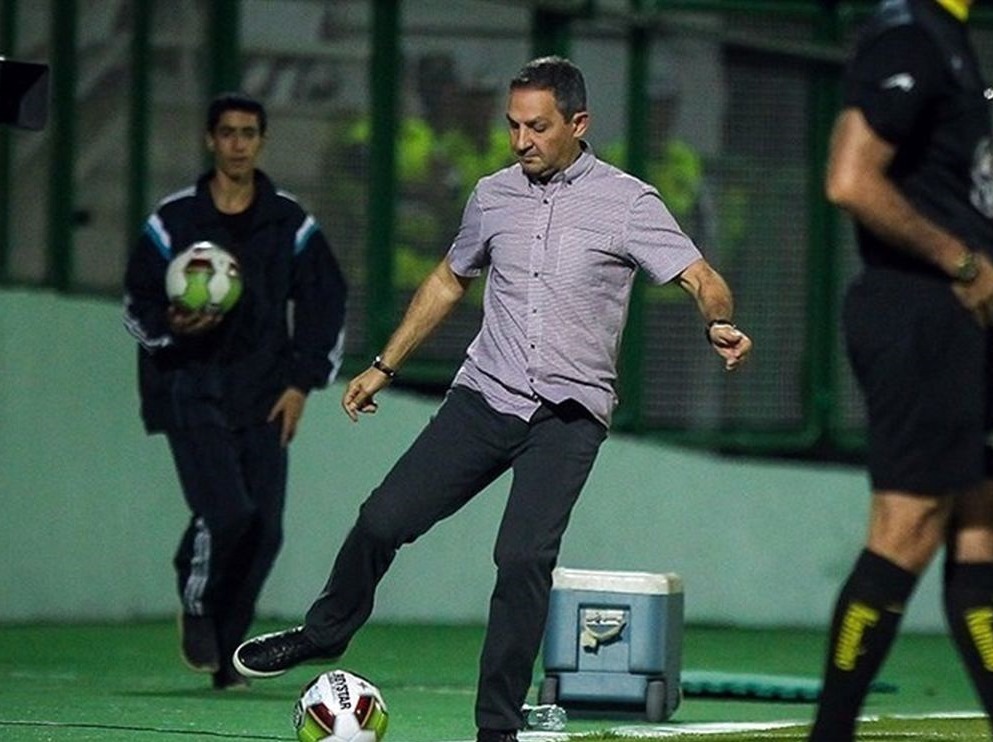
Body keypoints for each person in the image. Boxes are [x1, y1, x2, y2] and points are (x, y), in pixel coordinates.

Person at [233, 56, 751, 741]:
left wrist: (717, 321)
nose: (520, 141)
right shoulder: (492, 195)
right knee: (382, 520)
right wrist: (385, 364)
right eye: (513, 126)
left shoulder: (629, 202)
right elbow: (449, 279)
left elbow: (700, 277)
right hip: (486, 395)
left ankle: (497, 729)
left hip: (568, 415)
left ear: (578, 123)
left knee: (523, 559)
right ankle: (326, 632)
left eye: (537, 127)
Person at [810, 1, 993, 739]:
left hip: (959, 318)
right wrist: (960, 260)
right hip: (919, 308)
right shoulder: (909, 34)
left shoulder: (947, 36)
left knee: (985, 523)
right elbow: (850, 178)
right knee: (907, 525)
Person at [122, 92, 347, 690]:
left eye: (249, 133)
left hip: (265, 393)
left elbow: (326, 300)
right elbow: (137, 302)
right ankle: (197, 603)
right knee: (227, 512)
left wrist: (301, 384)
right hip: (186, 387)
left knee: (264, 531)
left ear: (262, 141)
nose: (238, 144)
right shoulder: (173, 221)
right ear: (210, 140)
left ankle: (228, 656)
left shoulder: (289, 222)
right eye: (227, 133)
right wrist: (173, 324)